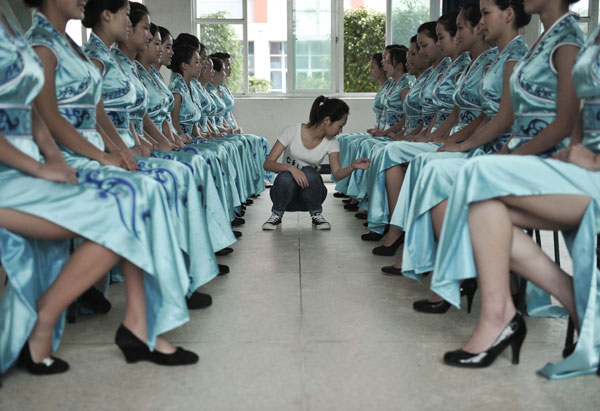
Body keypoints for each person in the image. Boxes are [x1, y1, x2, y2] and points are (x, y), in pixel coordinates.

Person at [0, 7, 196, 376]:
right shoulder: (42, 43)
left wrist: (55, 160)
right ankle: (46, 318)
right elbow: (49, 115)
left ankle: (139, 324)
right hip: (13, 169)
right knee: (133, 202)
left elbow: (32, 113)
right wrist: (47, 165)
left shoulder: (16, 26)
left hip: (41, 159)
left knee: (141, 196)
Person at [262, 96, 370, 230]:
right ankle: (276, 214)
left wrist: (353, 166)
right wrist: (291, 168)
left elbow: (336, 175)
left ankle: (316, 214)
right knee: (286, 175)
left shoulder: (332, 143)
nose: (340, 131)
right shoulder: (292, 131)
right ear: (327, 120)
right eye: (340, 126)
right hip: (284, 196)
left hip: (311, 197)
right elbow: (268, 164)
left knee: (308, 171)